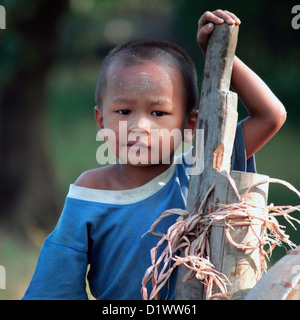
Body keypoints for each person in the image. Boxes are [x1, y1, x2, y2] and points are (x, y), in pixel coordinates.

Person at [23, 10, 286, 300]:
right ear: (101, 121)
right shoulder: (91, 193)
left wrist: (217, 54)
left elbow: (270, 115)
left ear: (189, 125)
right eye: (124, 112)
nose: (139, 126)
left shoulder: (202, 168)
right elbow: (55, 288)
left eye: (158, 113)